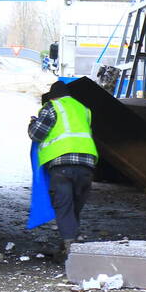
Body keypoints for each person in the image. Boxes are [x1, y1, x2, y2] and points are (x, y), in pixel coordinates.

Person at [28, 80, 98, 261]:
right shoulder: (84, 109)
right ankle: (67, 244)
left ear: (52, 96)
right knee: (74, 207)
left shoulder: (52, 107)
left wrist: (32, 123)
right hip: (87, 165)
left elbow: (36, 133)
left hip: (62, 165)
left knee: (64, 206)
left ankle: (71, 249)